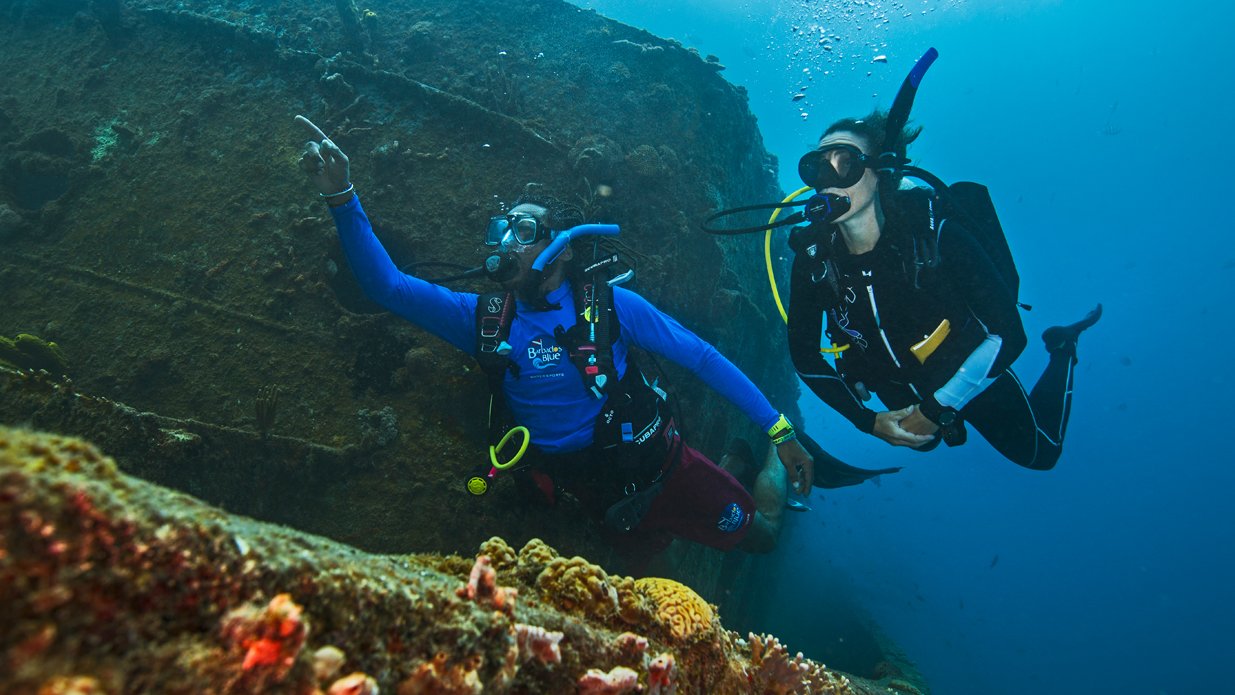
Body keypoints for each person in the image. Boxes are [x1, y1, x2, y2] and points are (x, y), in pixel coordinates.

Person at [294, 115, 814, 560]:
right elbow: (385, 286)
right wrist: (341, 195)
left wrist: (780, 431)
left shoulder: (612, 307)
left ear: (561, 250)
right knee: (650, 551)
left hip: (660, 466)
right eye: (502, 229)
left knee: (760, 537)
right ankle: (730, 465)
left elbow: (700, 358)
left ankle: (755, 459)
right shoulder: (479, 316)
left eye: (523, 232)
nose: (505, 242)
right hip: (590, 488)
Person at [786, 106, 1101, 470]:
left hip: (967, 364)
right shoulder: (814, 256)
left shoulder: (935, 234)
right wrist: (867, 421)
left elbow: (1010, 334)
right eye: (817, 166)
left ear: (882, 171)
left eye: (845, 163)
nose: (828, 179)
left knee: (1042, 454)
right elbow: (805, 354)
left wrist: (937, 408)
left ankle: (1063, 345)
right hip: (895, 381)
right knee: (924, 444)